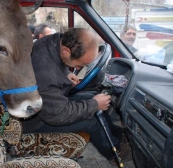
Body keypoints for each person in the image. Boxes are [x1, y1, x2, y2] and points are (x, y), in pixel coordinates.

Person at [22, 28, 123, 162]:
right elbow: (57, 115)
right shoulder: (46, 74)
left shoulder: (53, 41)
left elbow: (57, 64)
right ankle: (114, 154)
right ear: (66, 51)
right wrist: (94, 105)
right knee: (92, 120)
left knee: (91, 96)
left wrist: (65, 74)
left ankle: (116, 138)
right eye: (80, 64)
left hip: (48, 104)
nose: (80, 68)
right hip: (36, 121)